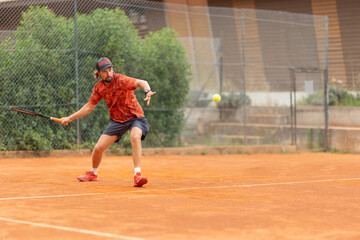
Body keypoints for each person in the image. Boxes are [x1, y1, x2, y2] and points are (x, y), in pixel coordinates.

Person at [61, 57, 156, 187]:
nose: (109, 73)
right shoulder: (99, 88)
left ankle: (137, 175)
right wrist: (69, 118)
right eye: (105, 71)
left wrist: (148, 91)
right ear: (99, 73)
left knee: (135, 136)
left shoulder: (121, 80)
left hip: (135, 117)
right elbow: (89, 107)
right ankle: (93, 174)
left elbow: (141, 82)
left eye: (110, 69)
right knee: (98, 148)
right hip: (117, 121)